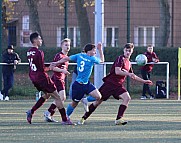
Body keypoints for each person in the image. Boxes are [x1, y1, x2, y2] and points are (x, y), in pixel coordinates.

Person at [77, 43, 153, 125]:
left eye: (129, 51)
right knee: (97, 102)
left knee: (127, 98)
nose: (127, 52)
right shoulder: (120, 59)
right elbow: (117, 71)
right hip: (110, 84)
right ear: (124, 50)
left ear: (132, 52)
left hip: (118, 85)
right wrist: (128, 74)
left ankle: (118, 119)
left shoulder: (128, 63)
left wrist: (144, 81)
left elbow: (132, 75)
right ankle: (83, 118)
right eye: (126, 50)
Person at [26, 32, 74, 125]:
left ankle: (31, 111)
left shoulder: (29, 52)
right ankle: (64, 119)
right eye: (39, 39)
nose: (41, 40)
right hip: (42, 78)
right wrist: (50, 67)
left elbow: (37, 65)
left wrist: (49, 65)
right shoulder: (39, 52)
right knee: (58, 98)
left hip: (33, 77)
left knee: (47, 95)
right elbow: (42, 68)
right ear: (35, 40)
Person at [52, 43, 104, 119]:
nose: (95, 53)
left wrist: (56, 63)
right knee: (74, 104)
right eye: (94, 51)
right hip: (78, 85)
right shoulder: (92, 59)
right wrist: (100, 50)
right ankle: (66, 117)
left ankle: (85, 100)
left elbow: (66, 58)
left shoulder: (79, 55)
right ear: (89, 51)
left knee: (98, 96)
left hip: (86, 84)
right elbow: (102, 61)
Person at [43, 38, 71, 122]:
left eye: (69, 45)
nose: (67, 47)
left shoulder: (66, 57)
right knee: (61, 97)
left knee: (61, 98)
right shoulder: (59, 56)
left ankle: (49, 113)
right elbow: (52, 67)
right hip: (57, 79)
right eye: (65, 45)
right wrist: (62, 71)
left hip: (61, 79)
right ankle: (48, 113)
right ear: (61, 46)